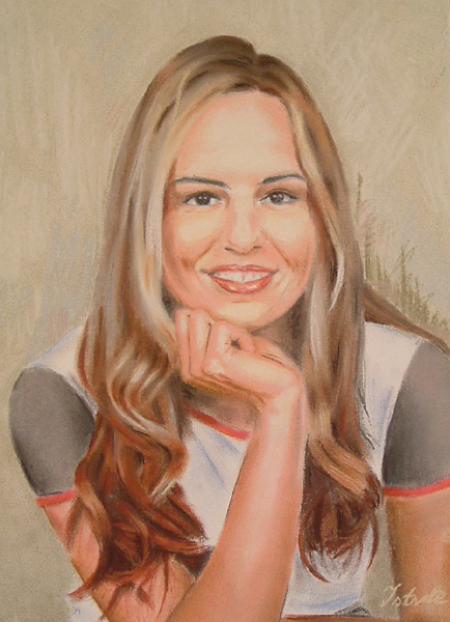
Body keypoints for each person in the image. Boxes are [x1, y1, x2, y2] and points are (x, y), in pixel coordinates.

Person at [9, 36, 450, 622]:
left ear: (323, 217)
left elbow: (432, 608)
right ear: (148, 219)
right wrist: (280, 409)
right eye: (201, 198)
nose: (243, 237)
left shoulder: (412, 381)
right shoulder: (61, 395)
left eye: (279, 195)